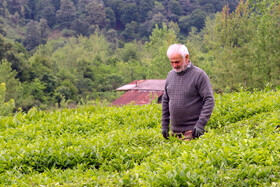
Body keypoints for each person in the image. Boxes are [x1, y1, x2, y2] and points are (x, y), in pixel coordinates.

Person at [161, 44, 215, 141]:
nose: (174, 65)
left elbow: (209, 100)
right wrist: (164, 125)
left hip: (192, 132)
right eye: (171, 62)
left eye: (177, 62)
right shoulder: (170, 75)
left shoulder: (199, 75)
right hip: (174, 133)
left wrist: (200, 125)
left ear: (186, 58)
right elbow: (165, 100)